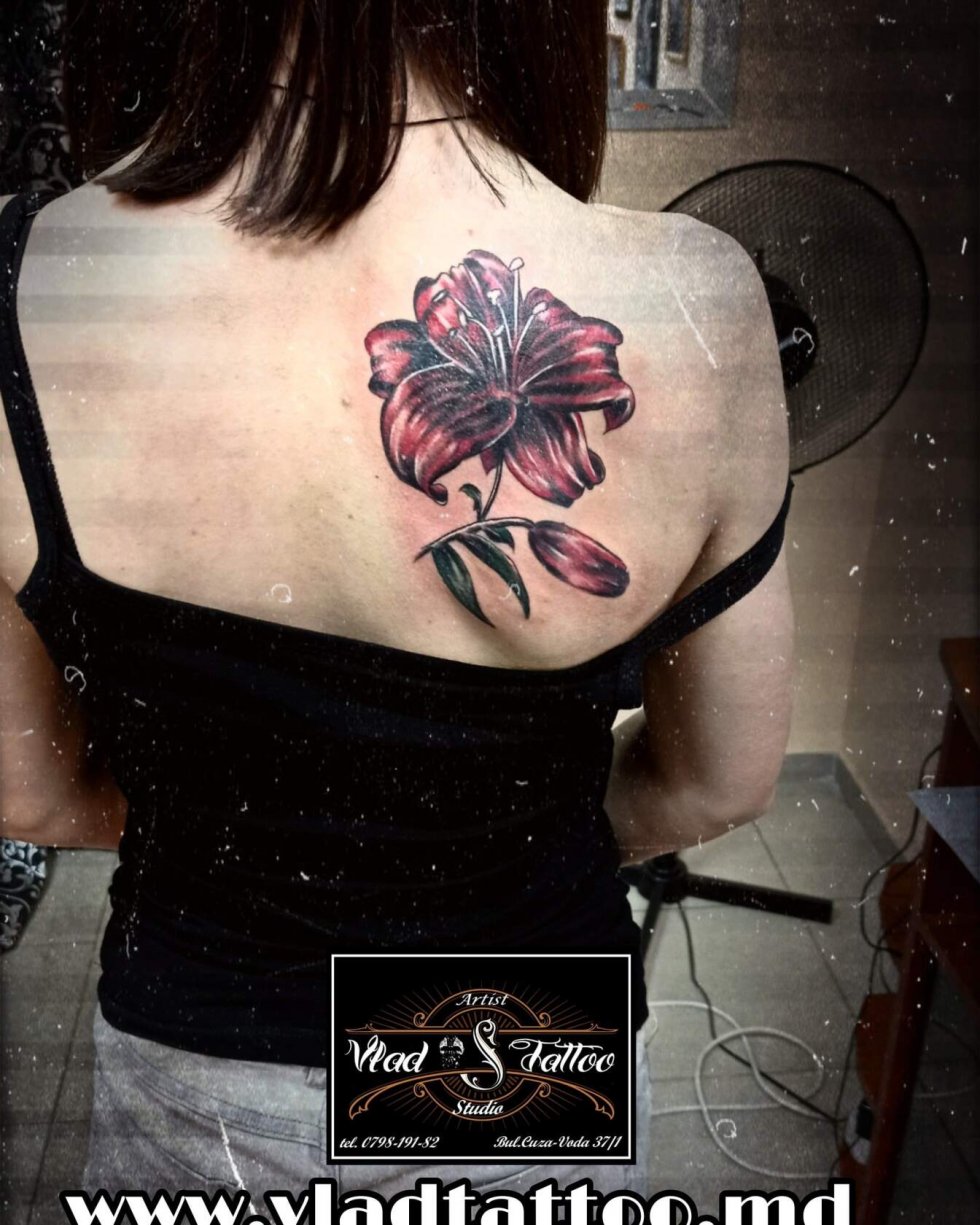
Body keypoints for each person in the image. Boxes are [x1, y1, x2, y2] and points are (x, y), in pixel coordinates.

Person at [0, 0, 794, 1212]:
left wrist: (238, 837)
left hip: (210, 1049)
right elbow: (713, 783)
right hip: (519, 1044)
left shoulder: (29, 281)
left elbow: (33, 793)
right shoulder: (697, 297)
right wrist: (492, 845)